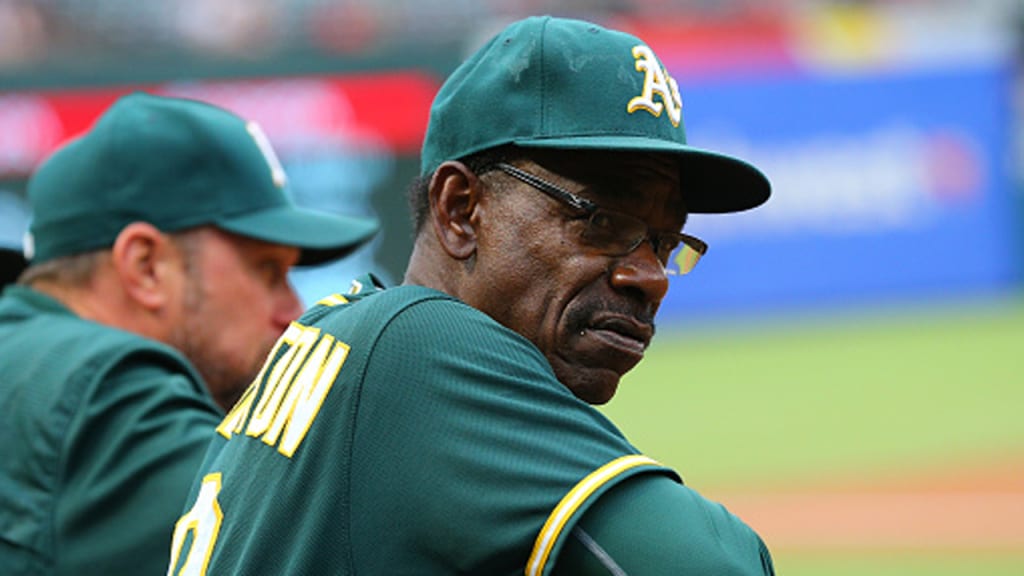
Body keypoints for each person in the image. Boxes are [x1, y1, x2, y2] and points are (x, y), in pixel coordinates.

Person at [169, 16, 774, 575]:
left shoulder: (349, 341)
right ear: (460, 209)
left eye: (665, 242)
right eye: (601, 222)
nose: (651, 276)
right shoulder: (417, 346)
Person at [0, 92, 378, 576]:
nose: (293, 309)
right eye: (266, 270)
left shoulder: (32, 361)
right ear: (146, 266)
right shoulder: (107, 391)